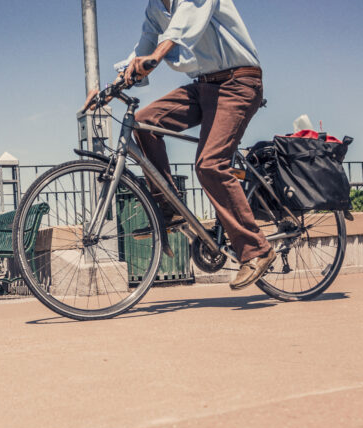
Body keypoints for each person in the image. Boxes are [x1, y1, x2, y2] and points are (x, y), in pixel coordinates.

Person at [85, 0, 275, 290]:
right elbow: (143, 49)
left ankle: (256, 250)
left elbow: (183, 27)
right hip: (204, 86)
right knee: (146, 122)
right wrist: (111, 89)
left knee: (210, 164)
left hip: (239, 82)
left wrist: (157, 56)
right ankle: (167, 208)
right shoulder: (154, 9)